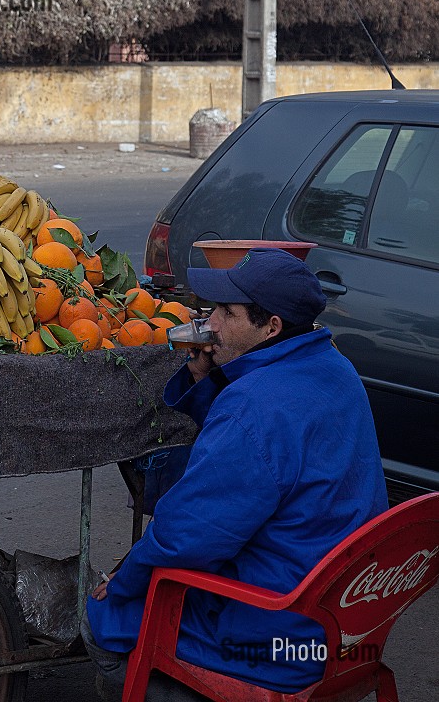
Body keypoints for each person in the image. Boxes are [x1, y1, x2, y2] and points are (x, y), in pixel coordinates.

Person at [83, 249, 388, 700]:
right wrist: (209, 380)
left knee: (104, 616)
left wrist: (122, 582)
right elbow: (256, 459)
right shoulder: (334, 367)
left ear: (272, 327)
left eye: (228, 312)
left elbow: (188, 536)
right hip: (349, 620)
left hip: (282, 636)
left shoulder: (253, 406)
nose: (212, 325)